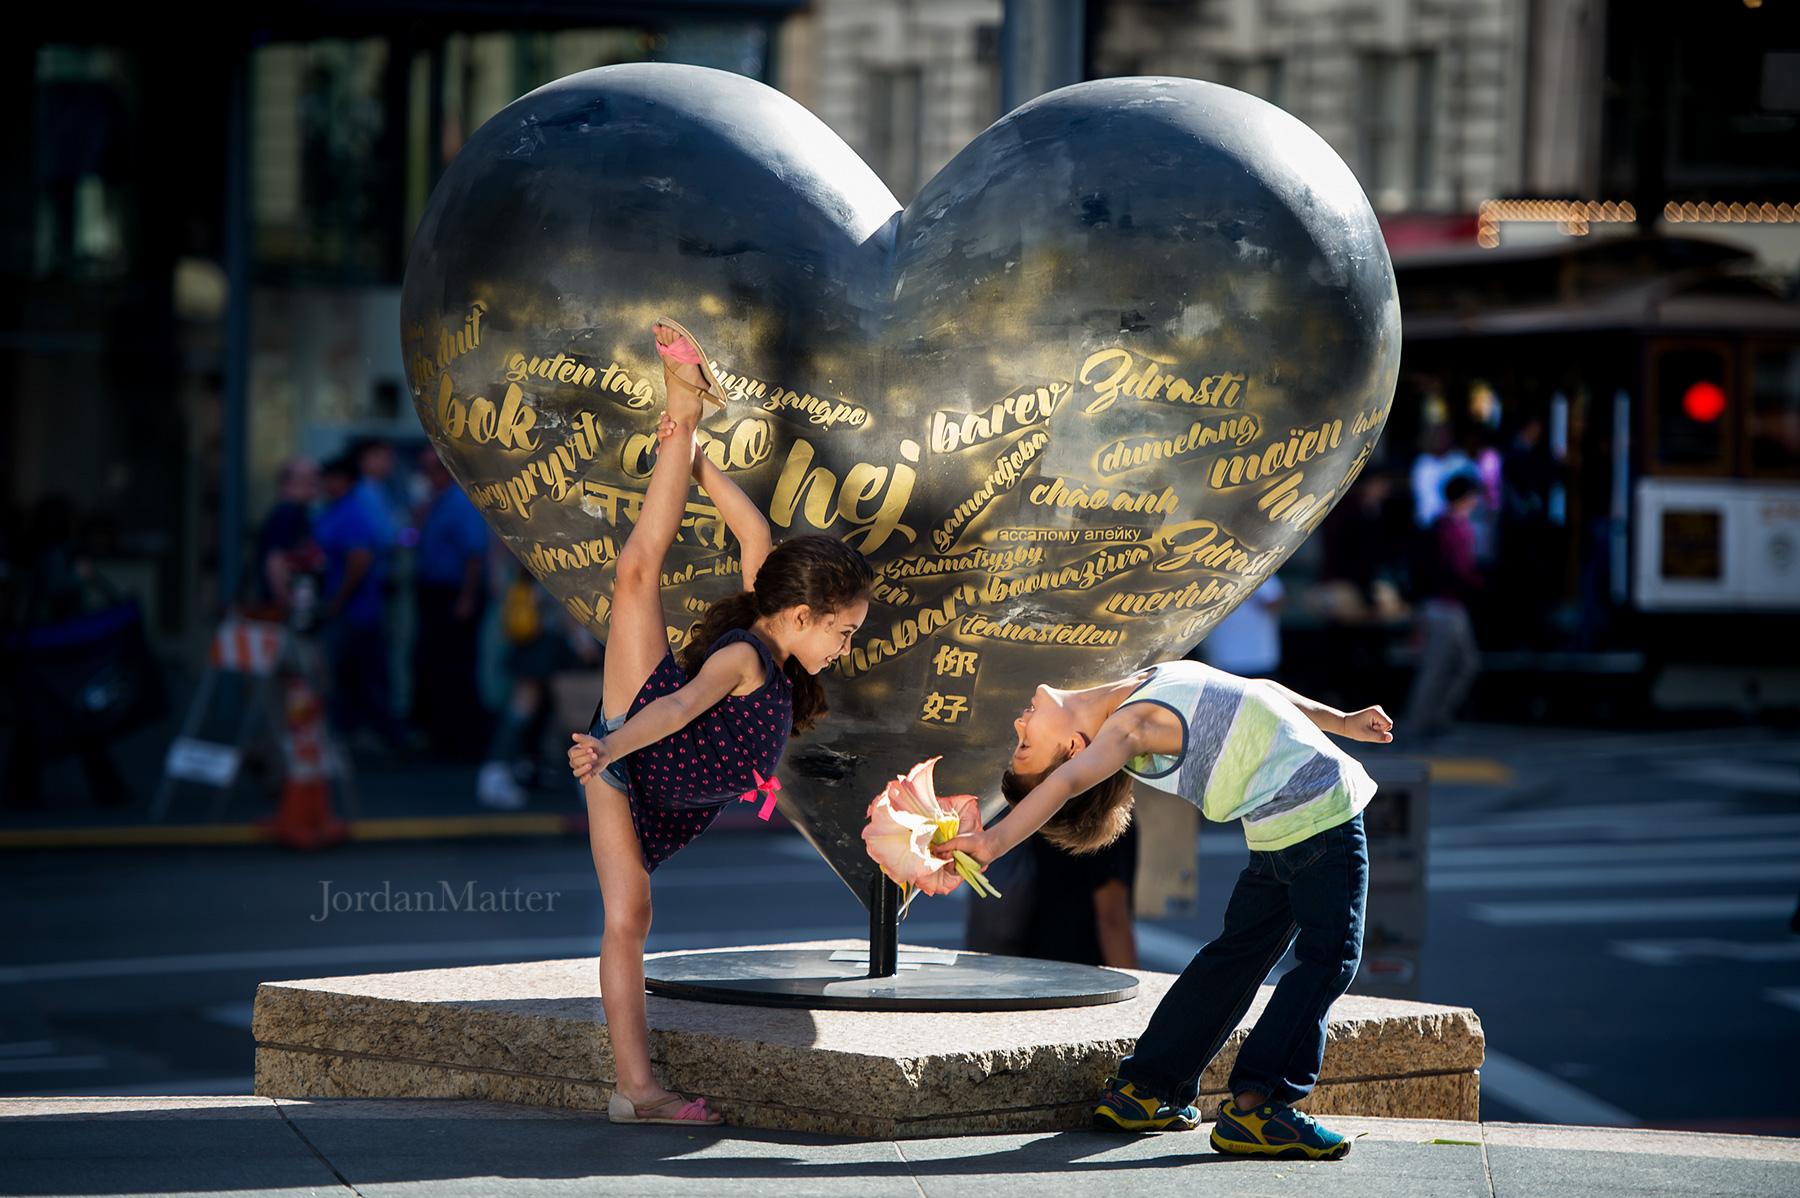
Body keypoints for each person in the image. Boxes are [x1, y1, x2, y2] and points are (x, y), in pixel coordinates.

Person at [564, 320, 873, 1128]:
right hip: (632, 755)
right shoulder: (742, 656)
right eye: (842, 632)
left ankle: (686, 414)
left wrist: (695, 456)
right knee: (636, 575)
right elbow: (675, 708)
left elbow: (756, 535)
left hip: (676, 794)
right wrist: (606, 747)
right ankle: (636, 1092)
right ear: (803, 616)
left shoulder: (777, 634)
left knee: (647, 571)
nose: (845, 648)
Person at [935, 660, 1394, 1160]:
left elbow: (1255, 689)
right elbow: (1065, 785)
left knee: (1235, 959)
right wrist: (994, 841)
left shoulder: (1137, 684)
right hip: (1321, 814)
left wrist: (1342, 721)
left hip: (1277, 830)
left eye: (1019, 737)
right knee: (1331, 959)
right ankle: (1259, 1104)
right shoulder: (1130, 726)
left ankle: (1147, 1088)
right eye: (1026, 744)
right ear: (1073, 751)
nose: (1019, 724)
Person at [314, 456, 405, 752]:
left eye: (334, 478)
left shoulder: (352, 514)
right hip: (346, 609)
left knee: (363, 677)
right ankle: (357, 732)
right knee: (352, 678)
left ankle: (389, 738)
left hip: (356, 612)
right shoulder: (333, 511)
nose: (328, 484)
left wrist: (339, 599)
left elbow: (360, 559)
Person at [412, 446, 491, 758]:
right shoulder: (436, 502)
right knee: (436, 665)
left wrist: (466, 598)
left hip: (454, 593)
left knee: (455, 667)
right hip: (435, 592)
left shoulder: (460, 502)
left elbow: (474, 557)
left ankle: (462, 740)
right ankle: (442, 734)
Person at [1402, 473, 1484, 739]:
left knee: (1462, 663)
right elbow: (1457, 569)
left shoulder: (1446, 526)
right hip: (1443, 606)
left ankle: (1435, 717)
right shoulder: (1449, 528)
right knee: (1437, 668)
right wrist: (1480, 583)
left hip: (1448, 605)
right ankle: (1419, 724)